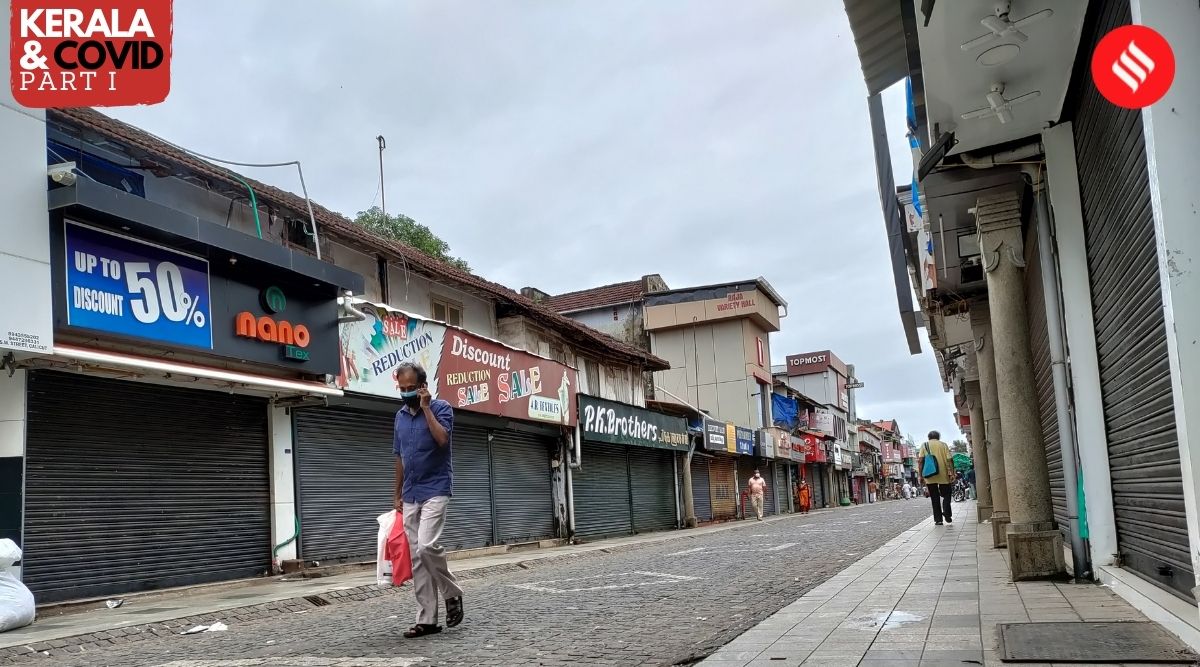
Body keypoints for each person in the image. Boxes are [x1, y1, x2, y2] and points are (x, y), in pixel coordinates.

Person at [393, 361, 464, 638]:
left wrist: (425, 408)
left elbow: (442, 440)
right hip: (410, 492)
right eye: (402, 388)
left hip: (436, 488)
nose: (406, 393)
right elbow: (398, 456)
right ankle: (427, 619)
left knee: (426, 546)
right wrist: (396, 493)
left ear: (423, 386)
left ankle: (452, 592)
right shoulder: (399, 416)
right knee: (417, 558)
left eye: (411, 388)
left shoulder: (441, 408)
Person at [917, 430, 955, 525]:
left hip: (930, 474)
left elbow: (920, 461)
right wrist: (953, 472)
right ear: (938, 437)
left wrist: (920, 475)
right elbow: (950, 460)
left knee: (934, 497)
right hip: (943, 474)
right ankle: (947, 513)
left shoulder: (924, 445)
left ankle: (938, 520)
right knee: (947, 494)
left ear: (928, 437)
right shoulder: (943, 445)